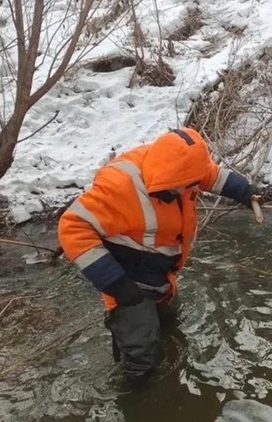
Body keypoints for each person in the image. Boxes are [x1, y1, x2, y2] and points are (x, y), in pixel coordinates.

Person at [58, 127, 257, 381]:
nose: (191, 189)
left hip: (162, 274)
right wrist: (115, 283)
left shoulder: (181, 167)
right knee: (142, 358)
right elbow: (72, 226)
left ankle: (166, 377)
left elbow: (210, 174)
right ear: (169, 178)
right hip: (128, 280)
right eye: (184, 185)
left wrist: (245, 192)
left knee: (169, 325)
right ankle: (134, 395)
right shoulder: (120, 187)